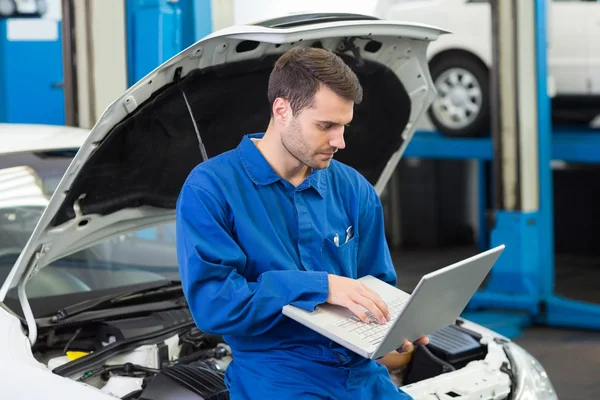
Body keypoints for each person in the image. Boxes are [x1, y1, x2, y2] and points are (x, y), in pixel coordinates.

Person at [176, 46, 428, 400]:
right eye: (325, 126)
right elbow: (214, 305)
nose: (339, 141)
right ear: (282, 110)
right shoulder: (211, 189)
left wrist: (395, 322)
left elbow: (377, 284)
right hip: (277, 376)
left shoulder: (354, 188)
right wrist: (320, 286)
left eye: (343, 126)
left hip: (360, 373)